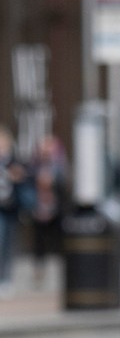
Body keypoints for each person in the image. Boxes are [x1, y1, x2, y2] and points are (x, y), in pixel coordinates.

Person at [28, 134, 68, 287]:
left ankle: (61, 270)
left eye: (49, 146)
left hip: (56, 209)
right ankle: (39, 270)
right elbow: (28, 180)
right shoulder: (34, 165)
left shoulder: (60, 165)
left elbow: (65, 184)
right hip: (38, 210)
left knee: (58, 239)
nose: (46, 150)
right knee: (39, 242)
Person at [0, 126, 29, 298]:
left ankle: (7, 279)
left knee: (9, 245)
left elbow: (26, 179)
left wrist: (18, 177)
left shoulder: (14, 162)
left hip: (11, 209)